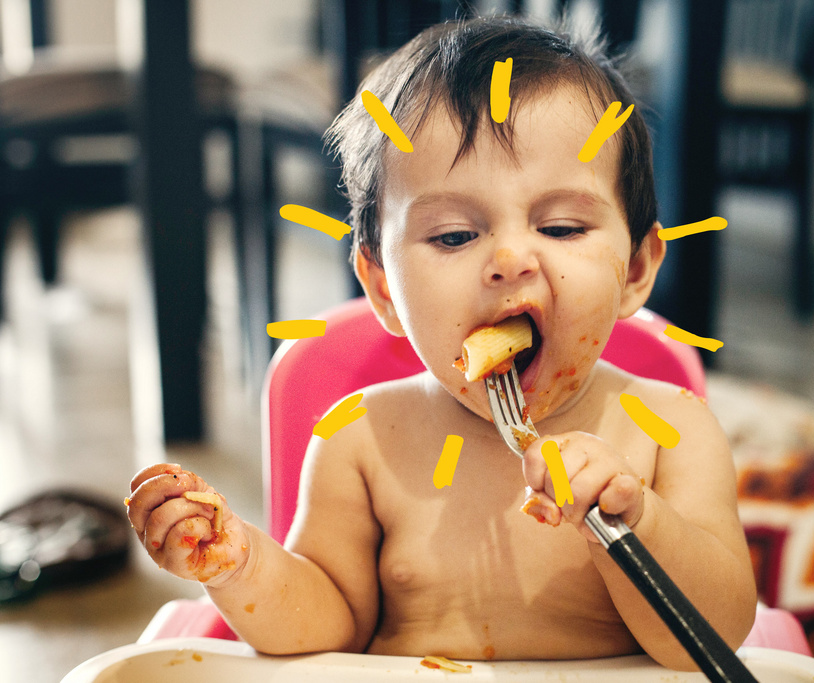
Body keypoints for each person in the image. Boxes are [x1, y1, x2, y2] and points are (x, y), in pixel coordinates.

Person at [126, 15, 756, 671]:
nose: (510, 259)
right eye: (454, 236)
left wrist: (635, 519)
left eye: (563, 226)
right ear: (383, 290)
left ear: (635, 269)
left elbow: (716, 637)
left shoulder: (671, 433)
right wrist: (241, 564)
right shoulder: (360, 441)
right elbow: (325, 628)